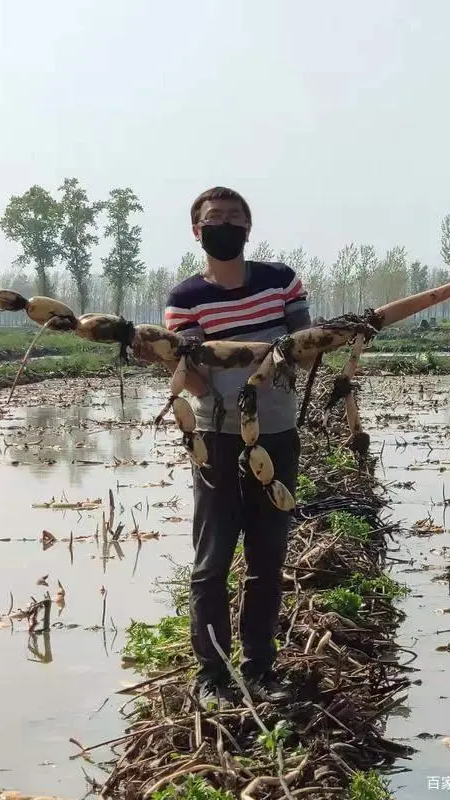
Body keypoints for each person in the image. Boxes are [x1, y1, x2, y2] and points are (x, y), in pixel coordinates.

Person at [163, 186, 311, 710]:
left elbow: (302, 345)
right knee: (212, 560)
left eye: (234, 217)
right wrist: (217, 382)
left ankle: (260, 667)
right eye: (213, 218)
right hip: (216, 441)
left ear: (249, 228)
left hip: (276, 435)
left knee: (267, 557)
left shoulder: (280, 282)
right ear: (197, 231)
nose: (224, 224)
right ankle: (212, 675)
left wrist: (282, 361)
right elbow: (191, 374)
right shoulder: (184, 300)